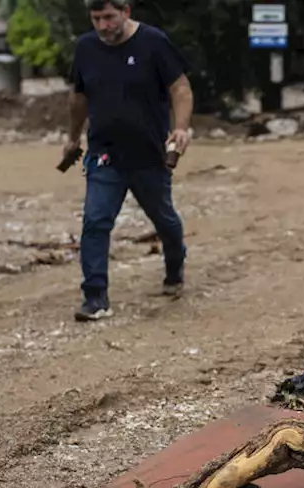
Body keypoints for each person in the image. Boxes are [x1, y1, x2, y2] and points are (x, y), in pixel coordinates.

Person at [64, 0, 194, 322]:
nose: (103, 26)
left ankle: (174, 269)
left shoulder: (153, 42)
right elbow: (78, 99)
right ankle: (95, 297)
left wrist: (180, 127)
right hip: (104, 154)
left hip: (149, 155)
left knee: (164, 220)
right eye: (96, 19)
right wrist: (72, 137)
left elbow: (180, 88)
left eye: (109, 17)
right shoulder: (85, 48)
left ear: (126, 11)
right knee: (95, 220)